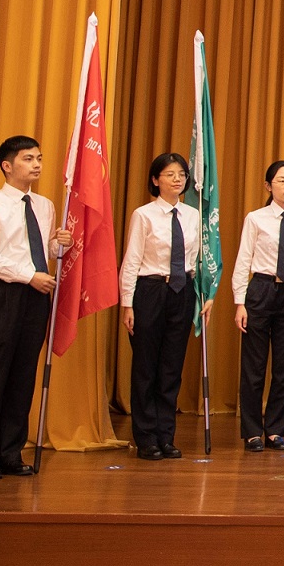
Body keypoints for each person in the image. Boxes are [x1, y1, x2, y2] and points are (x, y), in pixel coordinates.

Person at [0, 135, 71, 481]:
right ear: (7, 166)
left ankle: (10, 452)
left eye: (39, 158)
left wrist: (59, 245)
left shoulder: (44, 205)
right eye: (28, 159)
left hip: (35, 297)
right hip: (0, 295)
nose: (36, 164)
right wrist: (29, 277)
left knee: (23, 375)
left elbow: (41, 250)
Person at [119, 152, 202, 460]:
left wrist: (202, 295)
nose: (177, 179)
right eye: (169, 174)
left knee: (171, 367)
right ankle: (146, 437)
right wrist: (127, 303)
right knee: (146, 367)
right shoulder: (144, 215)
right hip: (150, 290)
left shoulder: (192, 215)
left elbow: (196, 258)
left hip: (182, 291)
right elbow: (132, 260)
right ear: (155, 180)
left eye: (181, 174)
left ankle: (166, 436)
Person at [233, 160, 284, 452]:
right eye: (281, 181)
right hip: (260, 290)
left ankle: (275, 430)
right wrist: (240, 302)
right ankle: (252, 432)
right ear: (269, 186)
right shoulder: (256, 218)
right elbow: (243, 260)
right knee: (254, 366)